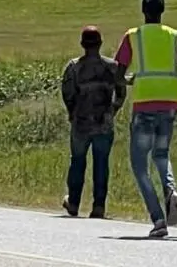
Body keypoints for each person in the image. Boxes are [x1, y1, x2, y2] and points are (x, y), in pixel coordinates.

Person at [115, 0, 177, 238]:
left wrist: (132, 80)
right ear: (162, 11)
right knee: (161, 155)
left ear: (143, 11)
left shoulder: (133, 37)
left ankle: (158, 218)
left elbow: (118, 74)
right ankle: (171, 190)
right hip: (171, 103)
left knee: (140, 165)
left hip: (144, 104)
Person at [61, 26, 126, 219]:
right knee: (101, 164)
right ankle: (99, 206)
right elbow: (121, 93)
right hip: (104, 123)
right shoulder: (112, 67)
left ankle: (73, 202)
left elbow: (67, 94)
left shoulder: (73, 67)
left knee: (78, 161)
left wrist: (72, 112)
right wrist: (112, 110)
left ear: (82, 44)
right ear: (100, 43)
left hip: (80, 123)